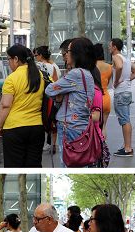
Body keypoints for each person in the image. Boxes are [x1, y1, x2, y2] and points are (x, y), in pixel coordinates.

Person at [45, 37, 103, 167]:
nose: (66, 54)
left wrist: (58, 95)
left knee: (68, 164)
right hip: (81, 125)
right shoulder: (87, 73)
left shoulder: (76, 73)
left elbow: (49, 90)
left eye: (68, 51)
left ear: (77, 53)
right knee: (79, 163)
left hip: (70, 126)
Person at [0, 44, 45, 167]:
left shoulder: (11, 78)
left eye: (8, 59)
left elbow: (5, 105)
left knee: (14, 166)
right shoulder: (39, 75)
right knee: (34, 166)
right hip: (36, 127)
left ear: (16, 59)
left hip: (14, 129)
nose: (8, 62)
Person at [109, 38, 135, 157]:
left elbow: (119, 67)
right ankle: (127, 146)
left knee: (124, 120)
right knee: (126, 119)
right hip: (127, 92)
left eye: (110, 46)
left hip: (121, 92)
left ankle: (127, 148)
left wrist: (116, 81)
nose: (109, 48)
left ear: (115, 47)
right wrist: (126, 80)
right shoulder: (125, 58)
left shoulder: (116, 57)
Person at [94, 43, 113, 138]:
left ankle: (96, 147)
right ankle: (103, 146)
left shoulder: (92, 66)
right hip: (106, 97)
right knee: (104, 126)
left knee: (94, 126)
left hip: (95, 98)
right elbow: (108, 81)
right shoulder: (109, 67)